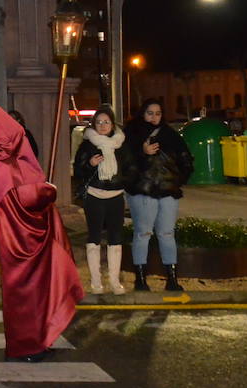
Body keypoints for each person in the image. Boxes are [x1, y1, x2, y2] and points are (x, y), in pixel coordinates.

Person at [0, 70, 83, 362]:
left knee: (39, 294)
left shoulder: (12, 160)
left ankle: (40, 338)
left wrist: (43, 191)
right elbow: (20, 200)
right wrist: (46, 193)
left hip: (33, 245)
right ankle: (26, 346)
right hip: (21, 247)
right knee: (25, 297)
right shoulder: (3, 164)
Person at [123, 98, 194, 292]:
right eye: (150, 113)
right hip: (143, 191)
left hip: (168, 192)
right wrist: (142, 152)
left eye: (158, 113)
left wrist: (177, 180)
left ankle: (172, 279)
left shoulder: (170, 135)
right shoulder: (132, 134)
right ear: (142, 113)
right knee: (143, 234)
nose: (154, 117)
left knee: (167, 234)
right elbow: (124, 163)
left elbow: (186, 159)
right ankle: (140, 280)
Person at [72, 108, 128, 295]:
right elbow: (78, 171)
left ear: (113, 124)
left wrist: (125, 180)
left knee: (115, 238)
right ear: (94, 125)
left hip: (116, 194)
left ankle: (114, 281)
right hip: (95, 194)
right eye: (99, 122)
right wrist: (90, 164)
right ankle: (96, 281)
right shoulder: (87, 145)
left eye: (106, 122)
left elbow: (131, 167)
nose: (103, 126)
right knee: (94, 236)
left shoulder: (121, 144)